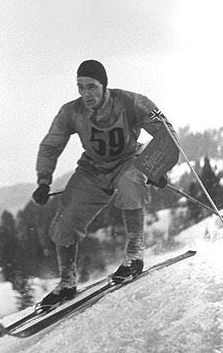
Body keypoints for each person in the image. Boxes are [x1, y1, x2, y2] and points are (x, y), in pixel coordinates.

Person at [32, 59, 176, 307]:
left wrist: (155, 168)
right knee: (65, 223)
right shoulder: (71, 111)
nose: (86, 94)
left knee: (131, 183)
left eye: (91, 87)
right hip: (93, 169)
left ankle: (134, 254)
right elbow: (50, 145)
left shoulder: (131, 102)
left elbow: (166, 133)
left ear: (104, 85)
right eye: (80, 87)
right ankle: (67, 282)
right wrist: (44, 180)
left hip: (128, 160)